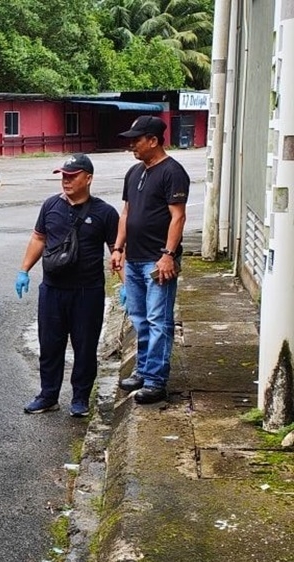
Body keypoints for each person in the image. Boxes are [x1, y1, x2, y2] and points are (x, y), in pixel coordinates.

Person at [15, 154, 120, 417]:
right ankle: (48, 395)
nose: (66, 181)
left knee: (85, 347)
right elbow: (39, 238)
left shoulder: (105, 213)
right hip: (52, 290)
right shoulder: (51, 206)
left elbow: (117, 251)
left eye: (72, 176)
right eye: (63, 176)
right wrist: (23, 270)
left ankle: (81, 398)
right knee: (50, 345)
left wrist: (126, 283)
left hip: (88, 292)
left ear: (88, 178)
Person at [110, 115, 189, 404]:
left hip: (158, 262)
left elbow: (178, 217)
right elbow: (127, 213)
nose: (132, 144)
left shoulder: (172, 172)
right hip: (134, 259)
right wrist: (118, 248)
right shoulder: (134, 172)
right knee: (140, 319)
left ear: (153, 140)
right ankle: (142, 371)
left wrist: (168, 255)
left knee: (159, 321)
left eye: (137, 139)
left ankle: (156, 381)